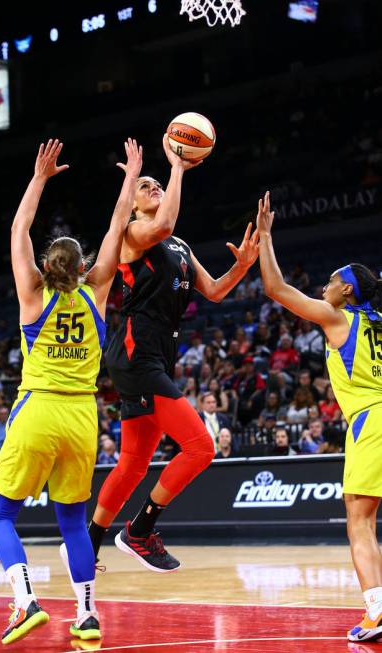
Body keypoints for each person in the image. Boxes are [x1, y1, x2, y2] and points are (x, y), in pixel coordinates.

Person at [0, 137, 143, 644]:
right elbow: (119, 224)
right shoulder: (97, 291)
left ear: (48, 267)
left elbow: (18, 228)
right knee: (74, 521)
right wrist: (130, 176)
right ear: (81, 267)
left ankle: (25, 601)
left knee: (0, 512)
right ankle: (87, 615)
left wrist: (39, 178)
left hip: (38, 411)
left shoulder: (32, 294)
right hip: (82, 417)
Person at [80, 134, 259, 573]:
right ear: (133, 203)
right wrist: (178, 168)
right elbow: (162, 226)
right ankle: (139, 530)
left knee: (135, 462)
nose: (154, 187)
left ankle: (88, 543)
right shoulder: (131, 234)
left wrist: (241, 266)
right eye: (146, 186)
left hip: (157, 354)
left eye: (159, 183)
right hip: (135, 352)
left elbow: (215, 291)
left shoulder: (180, 248)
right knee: (200, 447)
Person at [257, 190, 382, 642]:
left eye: (331, 281)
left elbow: (275, 290)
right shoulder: (378, 322)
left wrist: (266, 237)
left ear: (346, 289)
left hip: (372, 420)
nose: (324, 287)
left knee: (360, 521)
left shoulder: (338, 318)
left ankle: (377, 611)